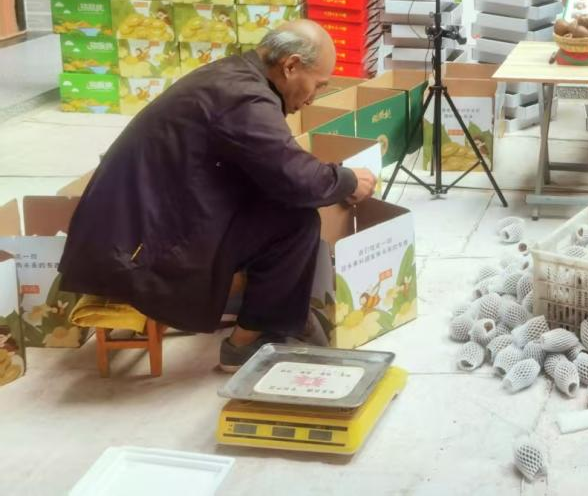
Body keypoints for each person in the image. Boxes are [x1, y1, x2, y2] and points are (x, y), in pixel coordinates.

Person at [58, 20, 377, 372]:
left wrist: (327, 177)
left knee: (281, 207)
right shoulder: (244, 97)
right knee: (295, 223)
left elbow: (276, 164)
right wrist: (348, 180)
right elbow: (297, 180)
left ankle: (276, 319)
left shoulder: (233, 76)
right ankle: (247, 342)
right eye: (318, 84)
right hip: (138, 251)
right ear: (291, 66)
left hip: (136, 231)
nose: (315, 97)